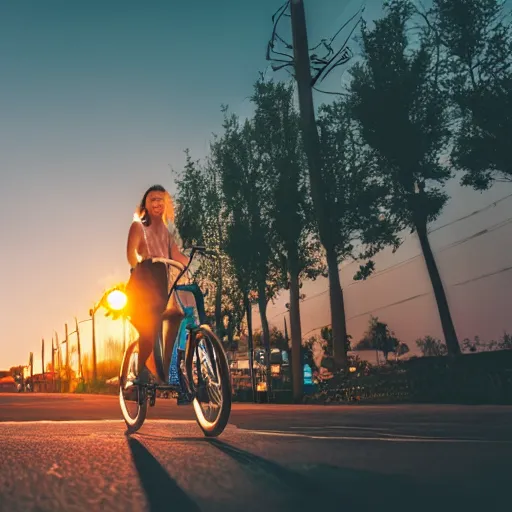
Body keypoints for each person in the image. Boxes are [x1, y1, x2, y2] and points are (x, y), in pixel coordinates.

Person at [125, 184, 188, 384]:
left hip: (162, 280)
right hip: (144, 277)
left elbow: (177, 256)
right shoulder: (138, 226)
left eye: (161, 199)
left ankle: (167, 372)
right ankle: (137, 372)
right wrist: (140, 270)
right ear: (145, 204)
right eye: (152, 199)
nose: (157, 203)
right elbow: (131, 253)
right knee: (148, 327)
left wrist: (191, 259)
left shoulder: (167, 233)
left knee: (175, 318)